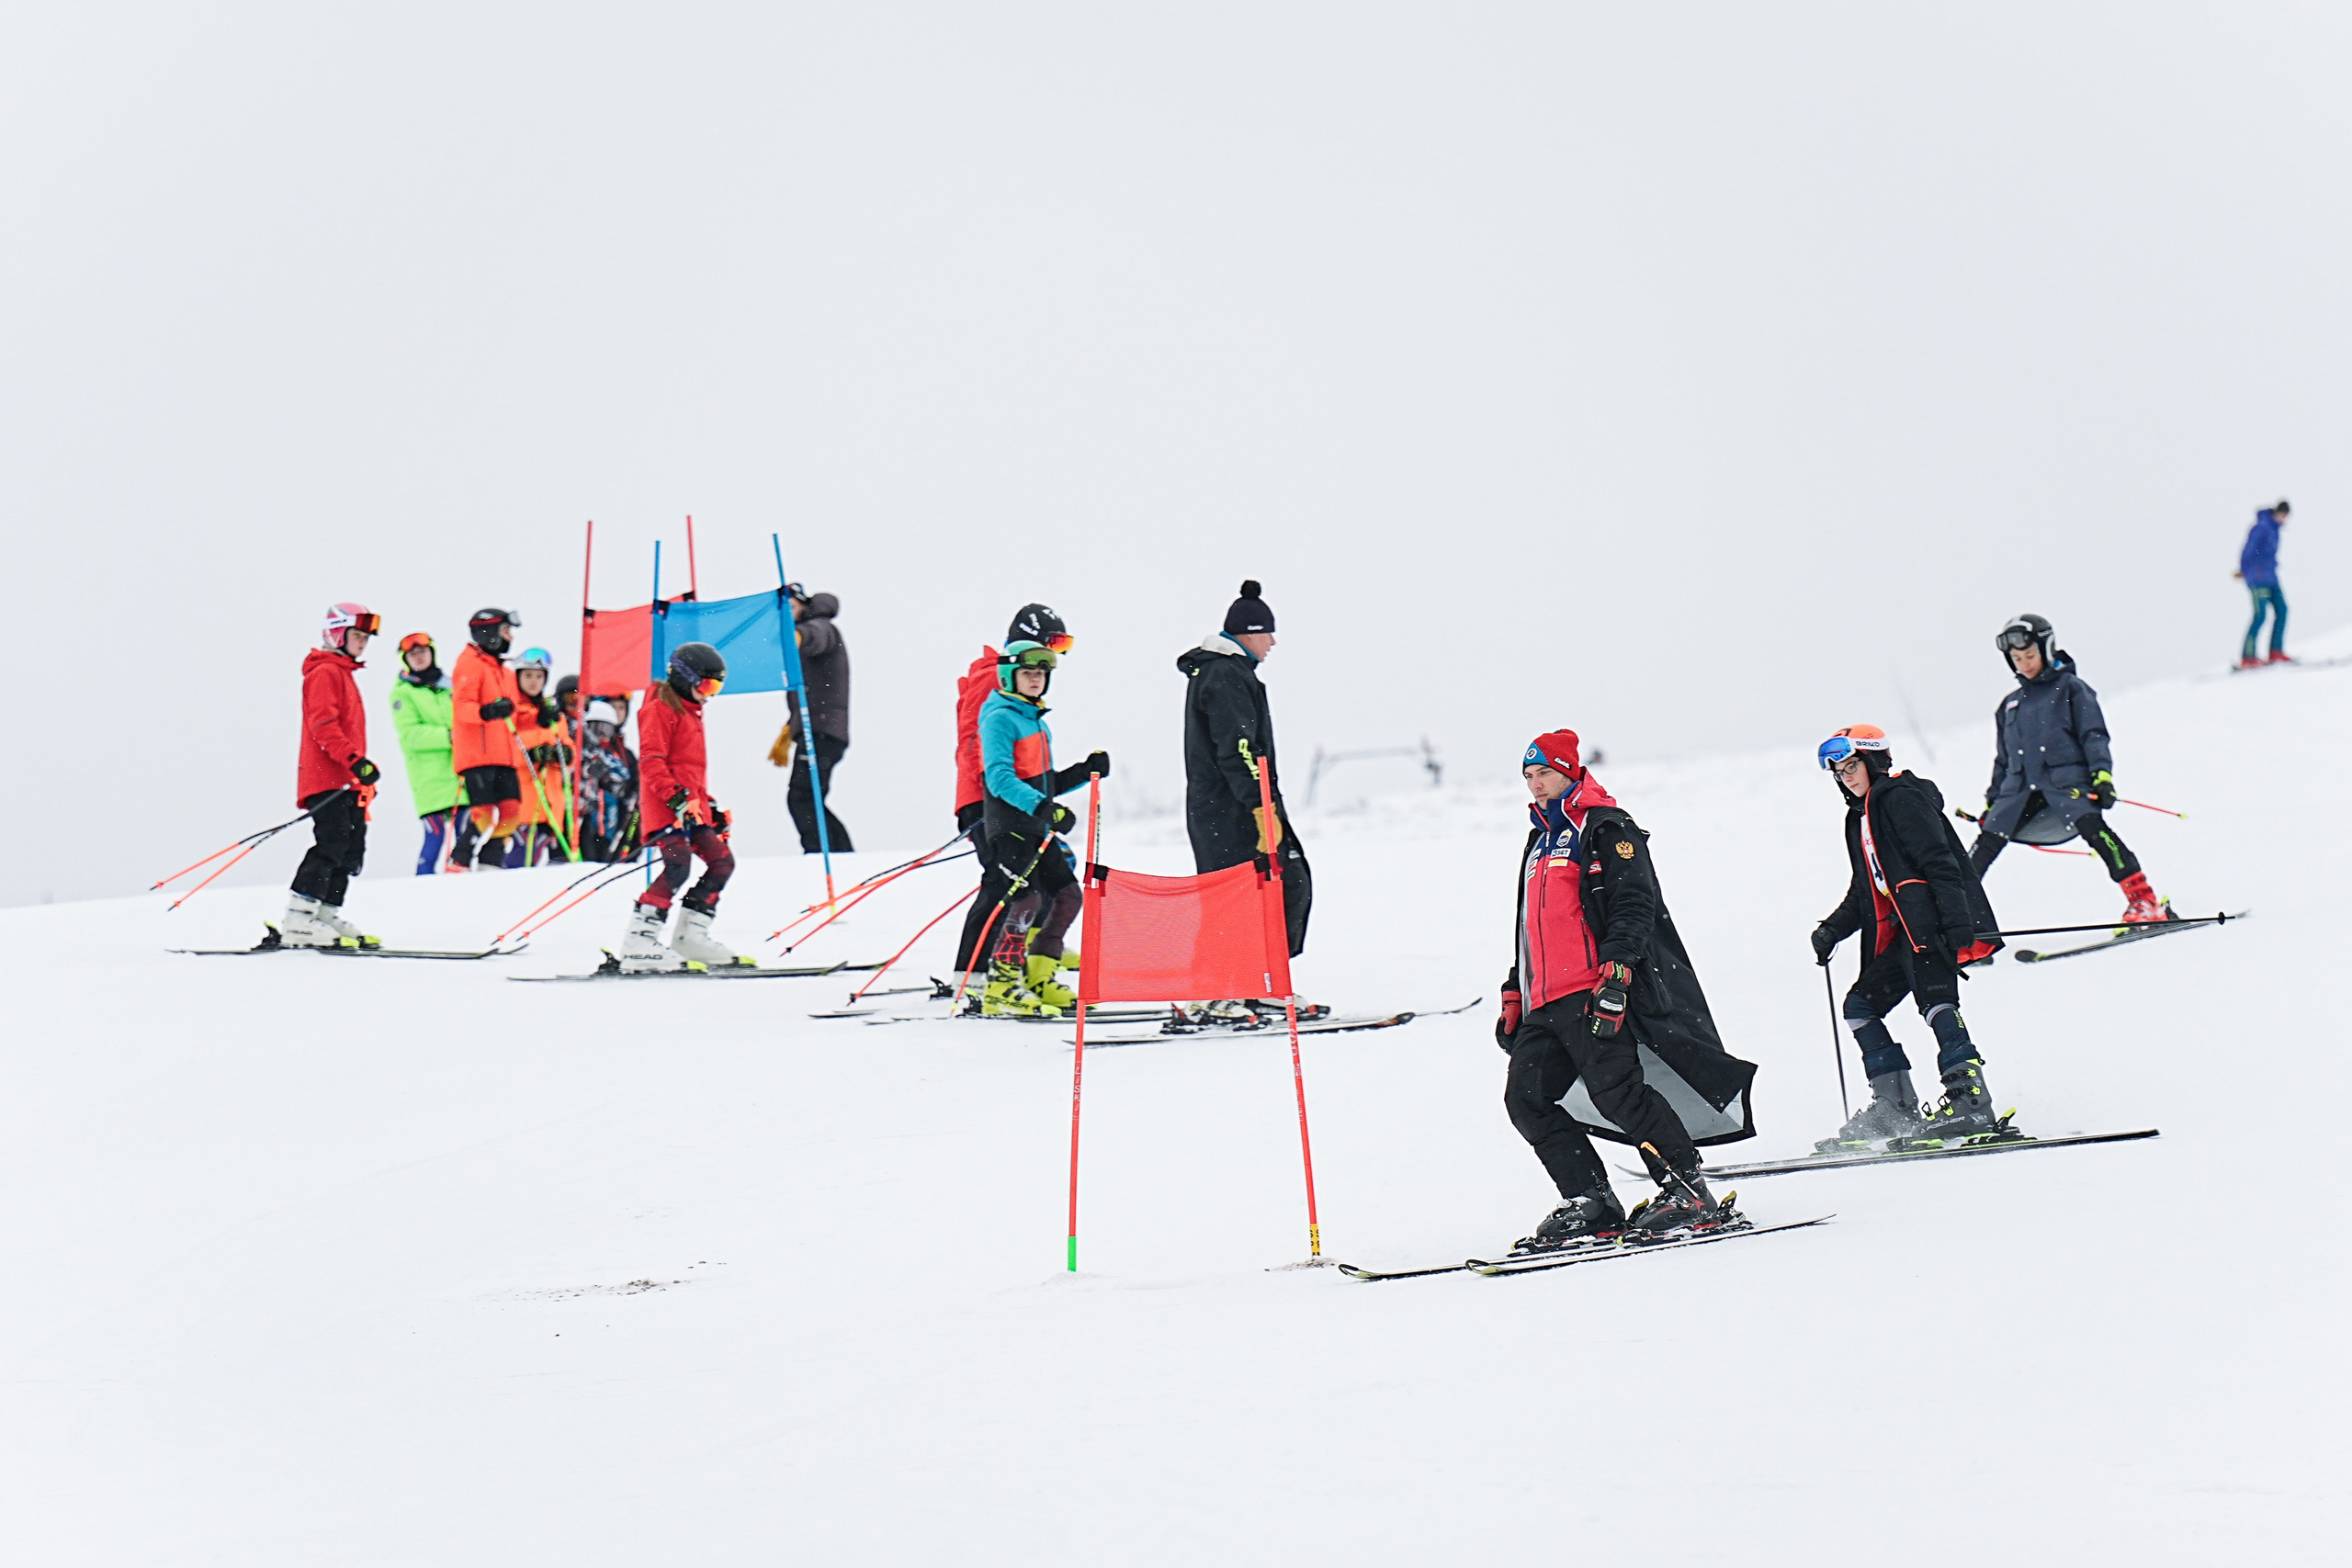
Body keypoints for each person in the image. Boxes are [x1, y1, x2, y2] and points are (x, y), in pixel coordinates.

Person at [1496, 729, 1756, 1247]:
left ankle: (1688, 1190)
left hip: (1594, 990)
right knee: (1526, 1100)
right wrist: (1513, 989)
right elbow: (1532, 924)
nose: (1536, 785)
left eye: (1545, 773)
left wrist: (1616, 977)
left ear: (1570, 771)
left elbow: (1634, 905)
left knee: (1618, 1093)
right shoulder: (1538, 840)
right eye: (1528, 777)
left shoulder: (1607, 827)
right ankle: (1591, 1201)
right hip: (1543, 1000)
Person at [1812, 725, 2006, 1148]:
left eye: (1851, 766)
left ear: (1874, 762)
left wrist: (1955, 922)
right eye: (1839, 771)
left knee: (1937, 1003)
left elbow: (1939, 861)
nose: (1846, 776)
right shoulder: (1858, 818)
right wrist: (1831, 929)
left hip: (1930, 927)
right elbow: (1866, 889)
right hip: (1902, 933)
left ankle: (1971, 1101)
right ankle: (1894, 1106)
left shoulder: (1899, 798)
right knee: (1860, 1006)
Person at [1970, 614, 2176, 925]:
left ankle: (2145, 902)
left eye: (2030, 655)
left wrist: (2102, 776)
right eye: (2017, 658)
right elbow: (2003, 760)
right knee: (1980, 851)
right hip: (2018, 794)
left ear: (2046, 650)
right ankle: (1960, 923)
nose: (2024, 664)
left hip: (2066, 785)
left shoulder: (2071, 689)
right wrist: (1992, 800)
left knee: (2097, 833)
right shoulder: (2010, 705)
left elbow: (2093, 736)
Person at [1176, 581, 1310, 960]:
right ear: (1248, 634)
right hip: (1229, 810)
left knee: (1286, 886)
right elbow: (1237, 749)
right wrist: (1260, 805)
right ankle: (1221, 989)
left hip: (1234, 807)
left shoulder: (1230, 672)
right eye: (1268, 632)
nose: (1272, 642)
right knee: (1239, 899)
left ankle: (1260, 981)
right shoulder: (1224, 675)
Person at [975, 641, 1108, 1016]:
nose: (1035, 680)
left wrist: (1084, 772)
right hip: (1010, 827)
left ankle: (1038, 976)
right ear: (1009, 676)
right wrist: (1043, 808)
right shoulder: (1000, 717)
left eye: (1041, 674)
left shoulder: (1035, 720)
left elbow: (1042, 783)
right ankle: (1000, 988)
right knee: (1026, 899)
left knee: (1068, 895)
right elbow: (1000, 778)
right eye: (1028, 673)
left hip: (1035, 827)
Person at [952, 604, 1073, 987]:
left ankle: (1026, 961)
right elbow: (975, 744)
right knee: (1004, 886)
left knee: (1039, 881)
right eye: (1053, 643)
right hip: (991, 800)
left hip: (1016, 799)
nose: (1057, 655)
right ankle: (971, 974)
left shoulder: (1025, 690)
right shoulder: (994, 680)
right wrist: (996, 795)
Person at [617, 642, 742, 971]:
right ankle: (639, 941)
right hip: (665, 806)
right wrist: (675, 798)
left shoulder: (692, 713)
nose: (709, 694)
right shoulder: (659, 708)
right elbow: (651, 762)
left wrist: (708, 806)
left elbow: (690, 772)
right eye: (705, 685)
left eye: (716, 687)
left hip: (690, 807)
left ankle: (690, 936)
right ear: (684, 678)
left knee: (722, 862)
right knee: (678, 865)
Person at [282, 603, 384, 946]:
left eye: (366, 638)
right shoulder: (324, 672)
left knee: (352, 850)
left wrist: (359, 773)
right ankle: (298, 918)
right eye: (357, 635)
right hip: (327, 778)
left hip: (347, 780)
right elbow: (323, 727)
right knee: (332, 843)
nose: (362, 643)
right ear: (337, 633)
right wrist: (355, 761)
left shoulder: (344, 674)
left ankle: (325, 913)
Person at [448, 608, 528, 872]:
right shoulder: (469, 663)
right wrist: (487, 711)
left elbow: (515, 714)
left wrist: (539, 717)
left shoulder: (504, 672)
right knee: (483, 814)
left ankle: (490, 862)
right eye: (506, 631)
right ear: (490, 634)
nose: (510, 638)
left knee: (512, 812)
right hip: (478, 755)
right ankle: (459, 860)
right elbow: (461, 707)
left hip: (505, 755)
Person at [782, 585, 854, 853]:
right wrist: (790, 729)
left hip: (823, 731)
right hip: (819, 730)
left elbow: (816, 637)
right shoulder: (806, 630)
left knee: (802, 796)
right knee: (809, 797)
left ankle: (820, 853)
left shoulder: (821, 626)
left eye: (791, 607)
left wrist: (798, 636)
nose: (787, 614)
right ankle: (839, 853)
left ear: (804, 606)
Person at [388, 631, 459, 874]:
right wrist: (448, 736)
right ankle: (421, 886)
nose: (419, 657)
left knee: (466, 838)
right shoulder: (403, 694)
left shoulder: (451, 687)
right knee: (435, 838)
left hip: (460, 774)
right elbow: (410, 735)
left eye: (423, 651)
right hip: (430, 780)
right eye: (412, 654)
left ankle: (468, 887)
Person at [509, 649, 574, 864]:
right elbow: (506, 748)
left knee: (553, 867)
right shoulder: (512, 710)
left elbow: (567, 747)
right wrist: (535, 750)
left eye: (539, 676)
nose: (534, 682)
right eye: (528, 676)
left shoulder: (553, 713)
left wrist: (565, 753)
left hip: (552, 804)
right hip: (525, 803)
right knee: (520, 862)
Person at [577, 698, 641, 863]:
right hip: (588, 810)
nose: (600, 735)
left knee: (609, 844)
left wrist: (631, 789)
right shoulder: (584, 750)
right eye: (595, 729)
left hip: (613, 813)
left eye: (606, 730)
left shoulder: (619, 754)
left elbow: (629, 778)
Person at [2235, 499, 2291, 668]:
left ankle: (2276, 651)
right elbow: (2248, 551)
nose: (2284, 519)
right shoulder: (2262, 527)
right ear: (2276, 512)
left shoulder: (2275, 530)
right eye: (2282, 515)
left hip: (2271, 578)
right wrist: (2246, 570)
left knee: (2282, 609)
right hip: (2258, 578)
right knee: (2260, 616)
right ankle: (2248, 657)